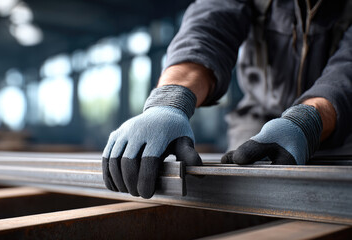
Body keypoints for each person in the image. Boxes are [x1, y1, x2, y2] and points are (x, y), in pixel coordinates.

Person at [102, 0, 352, 199]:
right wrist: (170, 100)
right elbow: (209, 25)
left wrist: (309, 121)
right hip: (254, 137)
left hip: (342, 141)